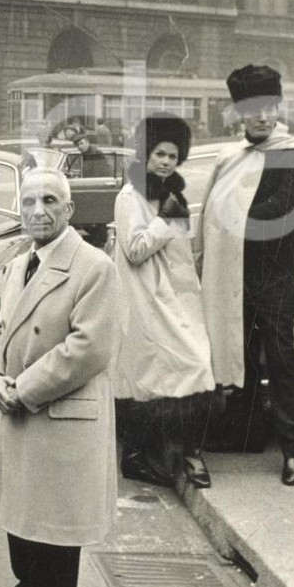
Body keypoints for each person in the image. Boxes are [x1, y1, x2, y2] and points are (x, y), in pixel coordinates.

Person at [0, 169, 118, 587]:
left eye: (51, 201)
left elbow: (88, 349)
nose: (39, 210)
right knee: (21, 518)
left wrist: (24, 389)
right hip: (18, 405)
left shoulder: (93, 266)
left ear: (70, 210)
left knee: (54, 529)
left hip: (58, 412)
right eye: (30, 201)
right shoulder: (21, 265)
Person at [195, 65, 294, 486]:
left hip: (272, 275)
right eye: (253, 109)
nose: (262, 117)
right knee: (242, 359)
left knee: (281, 360)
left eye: (269, 108)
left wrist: (231, 217)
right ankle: (247, 435)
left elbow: (282, 212)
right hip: (234, 274)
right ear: (239, 113)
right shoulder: (229, 158)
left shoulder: (292, 154)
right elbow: (210, 217)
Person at [112, 114, 216, 489]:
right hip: (147, 298)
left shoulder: (170, 192)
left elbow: (181, 249)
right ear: (146, 153)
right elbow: (134, 249)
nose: (166, 161)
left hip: (176, 297)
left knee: (192, 366)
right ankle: (145, 456)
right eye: (159, 153)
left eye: (173, 155)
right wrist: (165, 219)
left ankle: (184, 452)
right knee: (166, 373)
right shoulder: (130, 196)